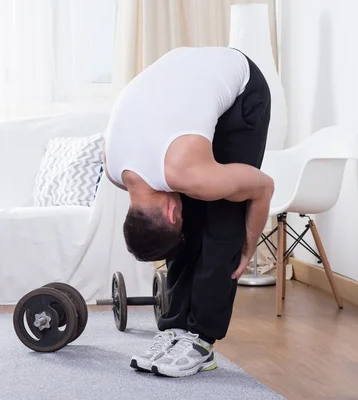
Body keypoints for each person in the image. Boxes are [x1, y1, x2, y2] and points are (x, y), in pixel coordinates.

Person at [102, 46, 273, 378]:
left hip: (240, 89)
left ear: (167, 213)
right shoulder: (115, 170)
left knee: (224, 216)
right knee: (190, 214)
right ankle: (175, 328)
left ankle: (201, 341)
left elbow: (263, 186)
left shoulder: (189, 172)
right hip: (181, 71)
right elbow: (172, 218)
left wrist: (249, 242)